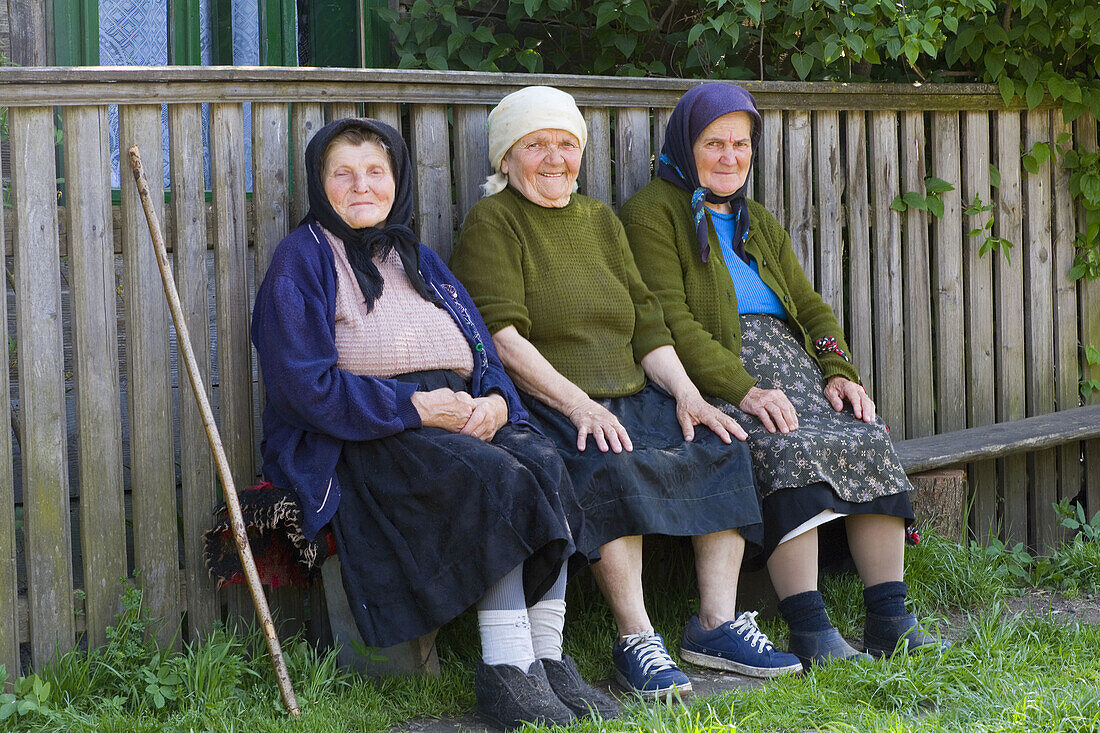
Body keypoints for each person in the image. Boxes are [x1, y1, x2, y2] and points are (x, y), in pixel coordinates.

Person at [251, 117, 617, 729]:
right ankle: (506, 671)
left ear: (397, 181)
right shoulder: (303, 260)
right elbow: (304, 390)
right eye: (343, 173)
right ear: (321, 184)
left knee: (548, 461)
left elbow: (483, 350)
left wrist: (499, 403)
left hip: (456, 415)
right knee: (495, 478)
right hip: (367, 434)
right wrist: (415, 408)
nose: (361, 186)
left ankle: (546, 662)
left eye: (376, 172)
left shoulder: (415, 256)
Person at [450, 86, 803, 700]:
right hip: (552, 399)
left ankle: (714, 626)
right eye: (535, 145)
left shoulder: (599, 220)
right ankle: (634, 636)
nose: (554, 159)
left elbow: (647, 324)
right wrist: (578, 404)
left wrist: (689, 394)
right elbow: (502, 337)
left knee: (720, 444)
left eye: (566, 144)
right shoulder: (494, 221)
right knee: (606, 463)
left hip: (632, 391)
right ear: (506, 157)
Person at [621, 83, 948, 668]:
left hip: (793, 370)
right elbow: (672, 322)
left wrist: (838, 370)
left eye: (740, 144)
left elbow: (811, 306)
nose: (729, 157)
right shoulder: (651, 215)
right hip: (719, 374)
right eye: (713, 143)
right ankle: (808, 626)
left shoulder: (756, 220)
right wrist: (744, 389)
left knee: (865, 434)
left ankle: (890, 619)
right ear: (683, 146)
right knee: (782, 444)